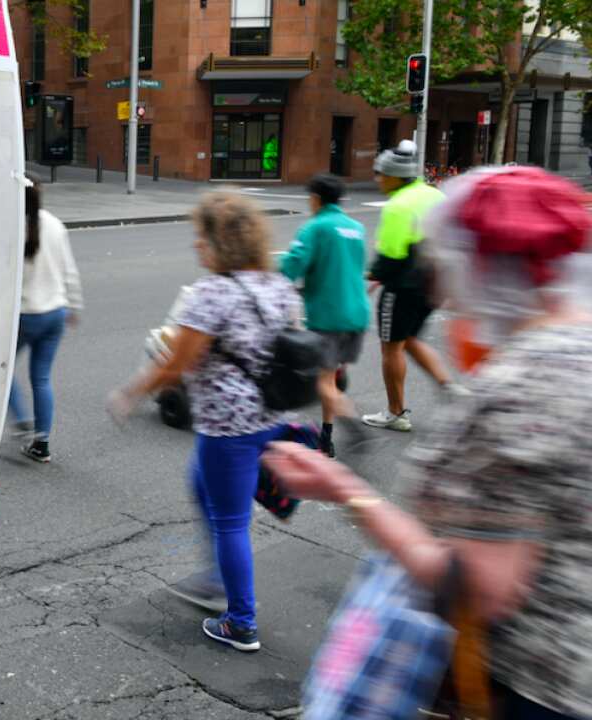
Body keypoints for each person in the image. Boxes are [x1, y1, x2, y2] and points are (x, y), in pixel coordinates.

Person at [264, 166, 592, 720]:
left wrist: (345, 490)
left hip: (543, 690)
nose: (448, 298)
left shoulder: (517, 388)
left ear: (482, 269)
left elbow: (478, 588)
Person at [109, 193, 302, 653]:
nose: (197, 247)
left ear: (221, 243)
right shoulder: (276, 285)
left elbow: (176, 365)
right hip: (271, 416)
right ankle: (217, 575)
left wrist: (130, 393)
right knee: (202, 485)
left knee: (231, 522)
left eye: (202, 238)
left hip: (229, 428)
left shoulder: (211, 294)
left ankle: (240, 621)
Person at [363, 140, 462, 433]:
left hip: (402, 287)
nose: (377, 179)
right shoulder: (433, 195)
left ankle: (396, 413)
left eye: (380, 174)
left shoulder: (397, 206)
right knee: (411, 338)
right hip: (433, 283)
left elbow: (391, 257)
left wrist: (372, 274)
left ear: (394, 176)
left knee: (391, 347)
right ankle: (449, 387)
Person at [279, 174, 369, 457]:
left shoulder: (315, 227)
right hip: (357, 314)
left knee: (324, 383)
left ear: (316, 199)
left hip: (329, 316)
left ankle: (354, 428)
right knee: (330, 377)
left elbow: (292, 265)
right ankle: (325, 439)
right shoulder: (356, 228)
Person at [7, 178, 81, 463]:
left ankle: (22, 419)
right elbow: (70, 270)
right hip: (55, 313)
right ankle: (42, 443)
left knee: (0, 370)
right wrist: (74, 304)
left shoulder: (12, 227)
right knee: (41, 378)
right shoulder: (55, 224)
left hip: (26, 315)